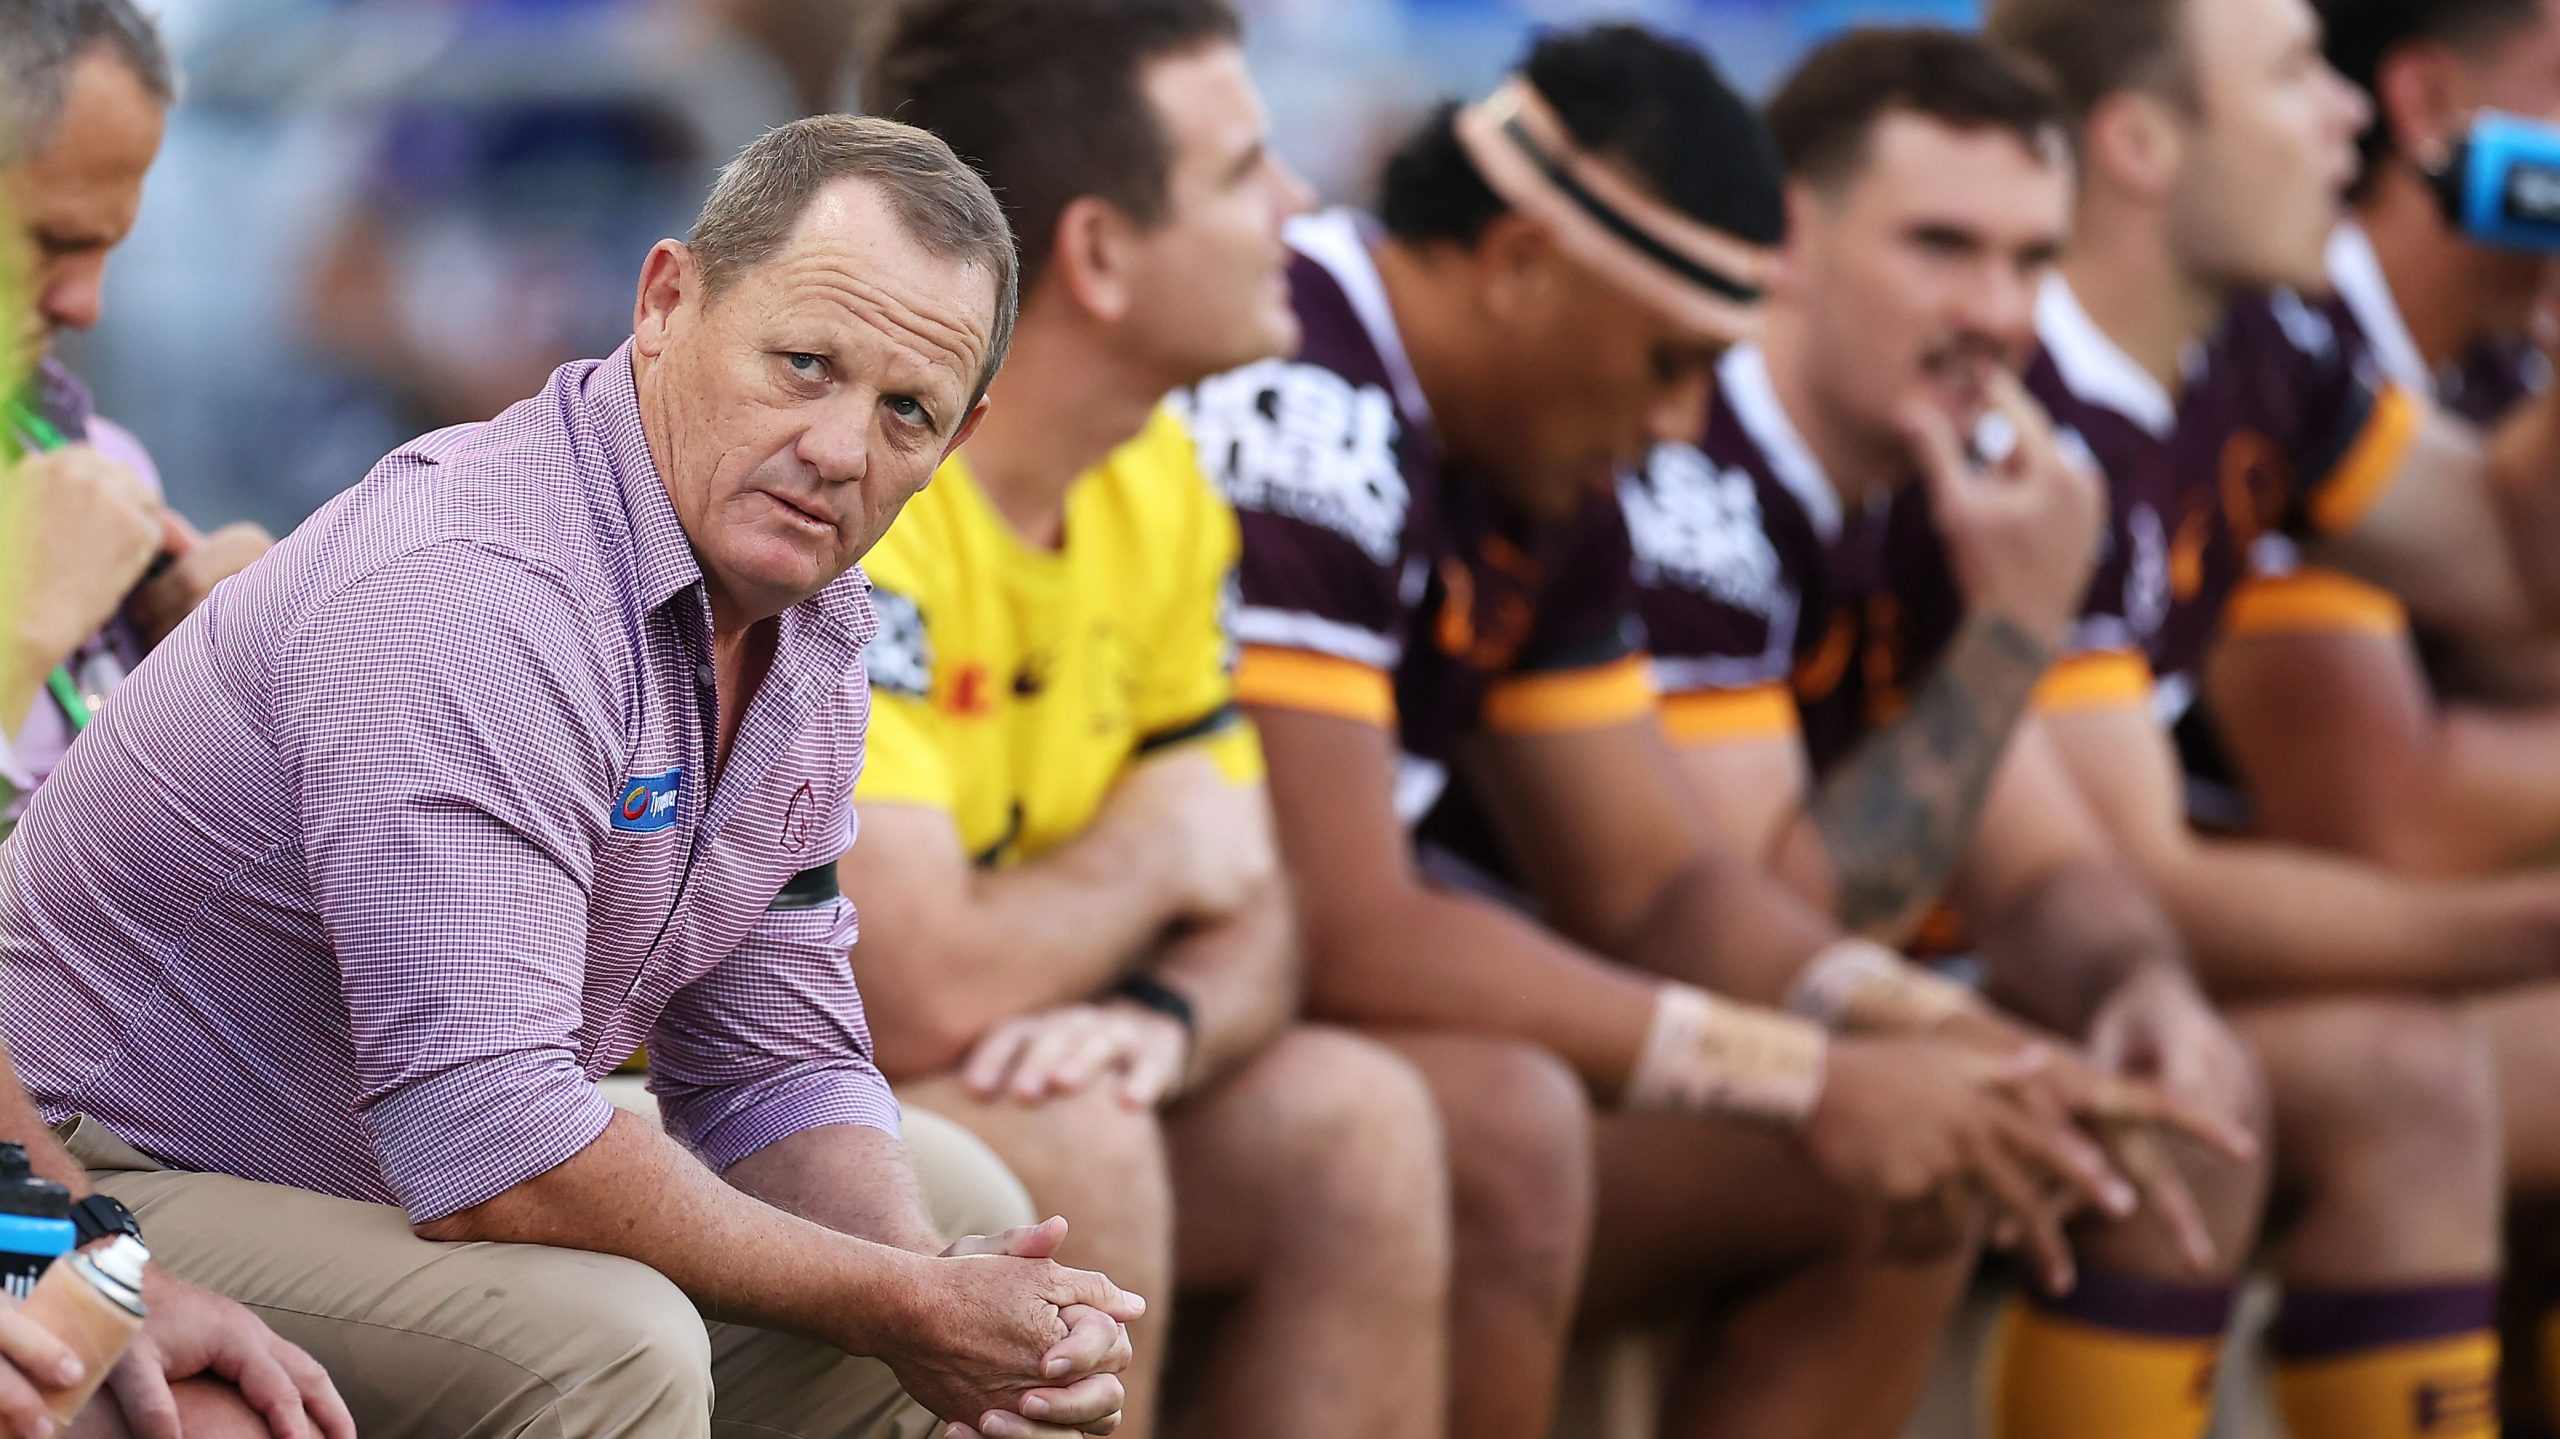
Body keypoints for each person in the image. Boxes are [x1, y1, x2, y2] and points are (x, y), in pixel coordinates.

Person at [0, 113, 1148, 1439]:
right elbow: (489, 1143)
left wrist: (924, 1285)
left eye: (905, 410)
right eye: (803, 364)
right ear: (667, 301)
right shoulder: (480, 593)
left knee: (947, 1199)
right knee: (619, 1345)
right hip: (86, 1170)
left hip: (374, 1160)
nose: (840, 447)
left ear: (959, 436)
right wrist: (896, 1304)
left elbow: (774, 1062)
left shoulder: (814, 622)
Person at [1189, 23, 2219, 1439]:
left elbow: (1658, 881)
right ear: (1519, 265)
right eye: (1672, 361)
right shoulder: (1312, 390)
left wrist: (1938, 1033)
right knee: (1507, 1130)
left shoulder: (1539, 443)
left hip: (1250, 1010)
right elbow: (1351, 925)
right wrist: (1812, 1071)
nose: (1683, 425)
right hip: (1068, 1015)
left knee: (1930, 1142)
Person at [1630, 26, 2499, 1438]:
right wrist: (2016, 631)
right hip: (1605, 1033)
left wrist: (2142, 987)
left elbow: (2047, 870)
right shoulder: (1703, 468)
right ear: (1792, 235)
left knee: (2177, 1097)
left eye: (2032, 261)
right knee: (1944, 1128)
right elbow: (1769, 918)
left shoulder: (1953, 455)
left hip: (1820, 1016)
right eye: (1941, 247)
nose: (1996, 309)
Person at [845, 5, 1450, 1437]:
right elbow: (914, 985)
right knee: (1074, 1149)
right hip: (661, 1099)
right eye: (1249, 173)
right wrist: (1153, 856)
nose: (1301, 207)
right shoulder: (872, 469)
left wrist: (1168, 1022)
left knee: (1358, 1123)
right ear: (1101, 253)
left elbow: (1260, 907)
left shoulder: (1154, 467)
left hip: (997, 1047)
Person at [2196, 0, 2560, 873]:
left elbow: (2532, 627)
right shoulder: (2285, 339)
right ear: (2430, 106)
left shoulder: (2501, 365)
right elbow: (2399, 817)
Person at [0, 0, 268, 827]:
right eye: (52, 240)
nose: (86, 304)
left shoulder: (99, 473)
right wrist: (25, 629)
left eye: (108, 248)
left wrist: (244, 685)